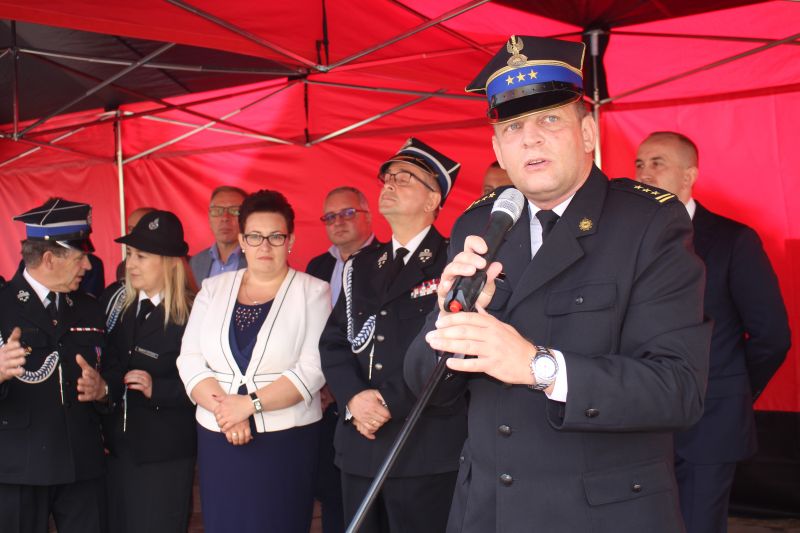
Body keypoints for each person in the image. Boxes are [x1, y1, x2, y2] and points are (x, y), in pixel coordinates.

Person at [404, 36, 712, 532]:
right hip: (488, 513)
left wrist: (538, 366)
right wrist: (446, 322)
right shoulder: (478, 226)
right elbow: (427, 389)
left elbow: (677, 389)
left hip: (600, 516)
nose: (530, 139)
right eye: (513, 127)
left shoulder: (649, 223)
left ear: (588, 133)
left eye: (549, 120)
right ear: (497, 150)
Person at [635, 131, 791, 533]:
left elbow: (772, 335)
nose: (644, 173)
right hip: (644, 423)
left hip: (711, 422)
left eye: (657, 163)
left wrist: (733, 387)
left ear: (689, 176)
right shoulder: (627, 241)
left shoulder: (733, 239)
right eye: (639, 164)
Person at [319, 138, 466, 533]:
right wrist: (354, 397)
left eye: (404, 178)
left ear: (433, 198)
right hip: (360, 445)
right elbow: (334, 342)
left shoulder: (454, 261)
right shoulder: (362, 264)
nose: (389, 184)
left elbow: (455, 349)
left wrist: (387, 401)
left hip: (423, 448)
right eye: (387, 177)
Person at [177, 190, 330, 533]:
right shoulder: (212, 288)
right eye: (255, 236)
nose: (265, 246)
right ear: (242, 240)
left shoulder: (313, 292)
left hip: (285, 439)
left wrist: (248, 405)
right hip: (219, 436)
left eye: (276, 236)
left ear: (290, 241)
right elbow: (190, 359)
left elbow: (312, 369)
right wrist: (226, 411)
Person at [0, 198, 108, 533]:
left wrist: (104, 388)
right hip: (20, 467)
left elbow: (114, 368)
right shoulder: (3, 305)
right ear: (48, 259)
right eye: (79, 258)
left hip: (82, 464)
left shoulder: (90, 307)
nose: (88, 266)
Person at [101, 210, 197, 533]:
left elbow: (212, 383)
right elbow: (111, 366)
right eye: (129, 254)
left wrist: (160, 389)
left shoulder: (195, 312)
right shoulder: (121, 307)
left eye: (141, 256)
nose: (131, 264)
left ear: (169, 262)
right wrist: (101, 389)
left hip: (165, 456)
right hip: (119, 452)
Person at [306, 186, 380, 533]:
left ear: (368, 215)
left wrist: (344, 387)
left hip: (367, 394)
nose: (338, 222)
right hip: (320, 397)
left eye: (348, 213)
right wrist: (320, 384)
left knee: (368, 498)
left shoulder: (388, 260)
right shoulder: (317, 266)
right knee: (331, 492)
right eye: (330, 216)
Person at [190, 185, 248, 284]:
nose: (225, 218)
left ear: (247, 218)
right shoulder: (196, 262)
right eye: (217, 211)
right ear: (209, 218)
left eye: (235, 211)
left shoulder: (257, 260)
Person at [115, 206, 156, 281]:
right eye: (131, 229)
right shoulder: (123, 267)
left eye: (140, 228)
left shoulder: (172, 262)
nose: (129, 266)